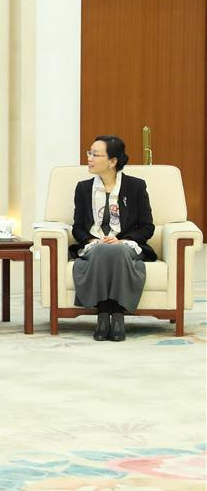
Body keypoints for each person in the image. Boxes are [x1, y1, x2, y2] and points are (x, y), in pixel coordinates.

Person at [72, 135, 155, 341]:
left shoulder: (136, 187)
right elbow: (78, 227)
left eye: (95, 154)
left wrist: (122, 241)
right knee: (103, 250)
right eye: (89, 153)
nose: (89, 158)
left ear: (112, 161)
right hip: (95, 245)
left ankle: (113, 315)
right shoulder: (83, 188)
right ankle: (107, 316)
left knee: (116, 250)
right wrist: (92, 241)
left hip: (125, 245)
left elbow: (147, 227)